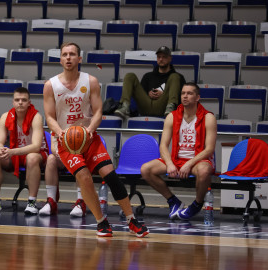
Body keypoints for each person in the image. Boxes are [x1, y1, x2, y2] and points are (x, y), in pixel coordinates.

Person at [43, 42, 149, 238]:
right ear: (60, 59)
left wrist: (90, 130)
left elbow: (98, 111)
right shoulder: (50, 85)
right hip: (66, 142)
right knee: (84, 177)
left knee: (110, 175)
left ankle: (131, 219)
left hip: (89, 137)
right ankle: (101, 221)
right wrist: (61, 133)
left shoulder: (90, 81)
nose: (68, 58)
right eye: (65, 54)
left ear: (79, 59)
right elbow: (49, 116)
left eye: (72, 54)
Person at [140, 83, 217, 220]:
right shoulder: (172, 116)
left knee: (204, 171)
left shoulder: (208, 117)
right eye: (183, 93)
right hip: (176, 158)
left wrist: (189, 164)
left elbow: (209, 149)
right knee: (146, 169)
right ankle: (173, 201)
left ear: (197, 97)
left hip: (197, 160)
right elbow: (163, 145)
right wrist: (169, 163)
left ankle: (196, 204)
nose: (185, 96)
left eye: (189, 93)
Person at [0, 87, 48, 215]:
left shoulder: (36, 117)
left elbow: (36, 146)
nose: (20, 102)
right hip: (16, 154)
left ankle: (32, 202)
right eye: (17, 100)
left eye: (24, 100)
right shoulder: (6, 116)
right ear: (13, 102)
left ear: (29, 102)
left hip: (37, 154)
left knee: (32, 157)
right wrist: (2, 150)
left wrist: (12, 152)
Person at [114, 46, 186, 118]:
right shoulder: (148, 76)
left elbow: (183, 98)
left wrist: (164, 94)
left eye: (164, 57)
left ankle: (171, 108)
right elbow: (141, 96)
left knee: (175, 76)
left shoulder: (178, 77)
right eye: (159, 57)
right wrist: (148, 94)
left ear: (170, 58)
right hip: (146, 106)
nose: (161, 59)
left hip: (164, 107)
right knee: (130, 76)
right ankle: (125, 106)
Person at [39, 152, 86, 217]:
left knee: (80, 158)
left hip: (77, 154)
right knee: (51, 158)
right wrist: (60, 154)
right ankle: (51, 202)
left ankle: (81, 203)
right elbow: (53, 146)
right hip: (62, 156)